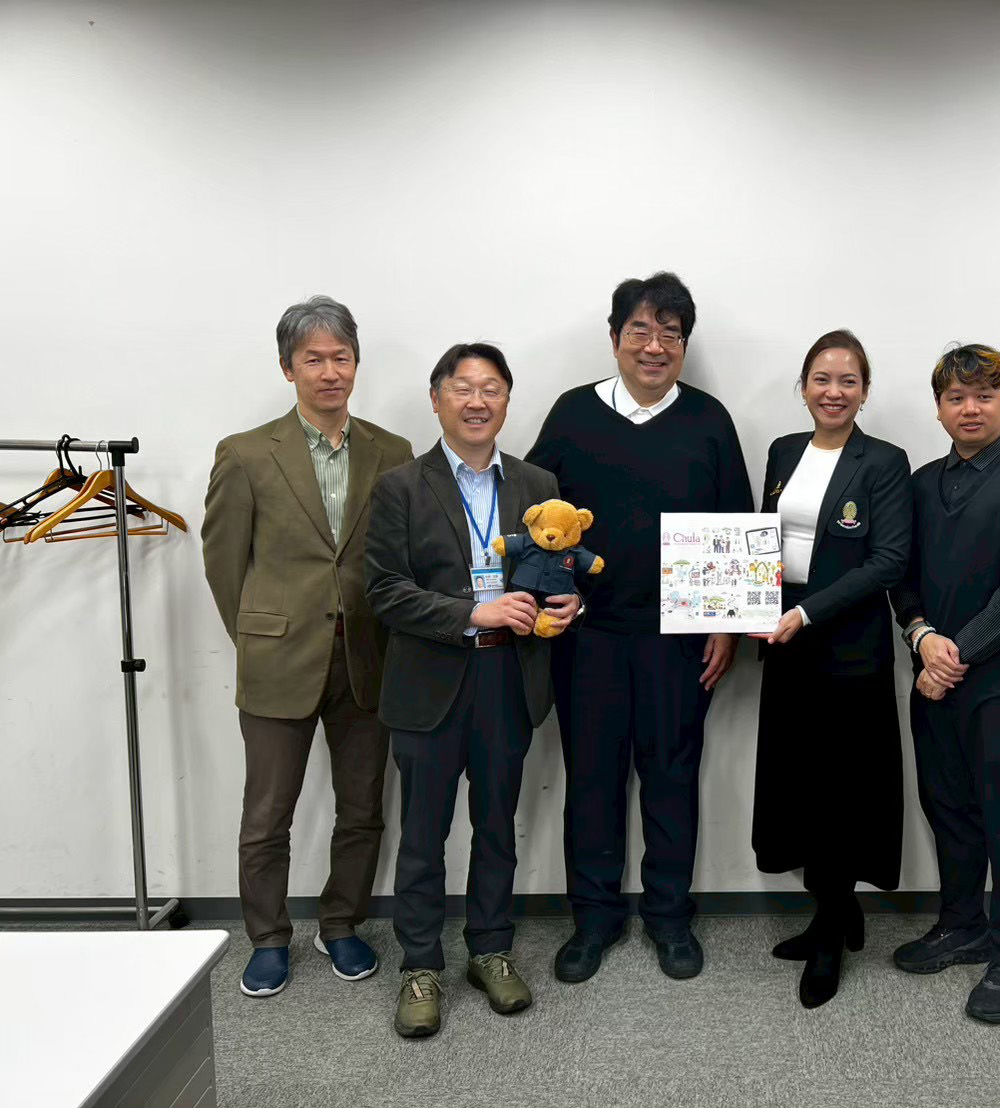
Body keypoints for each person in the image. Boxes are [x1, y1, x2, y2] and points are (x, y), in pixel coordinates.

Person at [527, 271, 752, 983]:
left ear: (684, 344)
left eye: (670, 334)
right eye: (641, 331)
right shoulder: (573, 413)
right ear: (615, 336)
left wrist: (727, 626)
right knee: (592, 780)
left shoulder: (709, 419)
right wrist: (552, 595)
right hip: (588, 637)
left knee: (671, 777)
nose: (655, 346)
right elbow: (533, 520)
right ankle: (593, 919)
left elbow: (735, 524)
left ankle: (668, 916)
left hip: (679, 639)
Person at [364, 342, 579, 1038]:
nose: (477, 401)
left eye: (491, 389)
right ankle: (420, 965)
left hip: (508, 679)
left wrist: (567, 603)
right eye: (462, 388)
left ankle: (490, 949)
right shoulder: (400, 486)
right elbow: (384, 591)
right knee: (423, 836)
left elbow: (555, 569)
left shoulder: (538, 483)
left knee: (496, 827)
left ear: (507, 402)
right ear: (437, 400)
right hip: (429, 681)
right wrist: (471, 612)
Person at [202, 295, 413, 998]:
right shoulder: (244, 454)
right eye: (313, 359)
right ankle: (267, 938)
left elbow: (398, 556)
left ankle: (341, 923)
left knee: (363, 808)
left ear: (356, 363)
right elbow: (224, 563)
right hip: (278, 659)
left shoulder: (392, 452)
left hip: (368, 658)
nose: (329, 372)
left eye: (340, 357)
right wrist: (260, 633)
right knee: (267, 814)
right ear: (287, 367)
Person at [890, 344, 1000, 1025]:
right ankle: (961, 925)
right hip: (935, 667)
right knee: (947, 805)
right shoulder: (920, 484)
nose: (971, 408)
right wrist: (920, 637)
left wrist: (950, 657)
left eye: (985, 395)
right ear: (938, 408)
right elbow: (900, 575)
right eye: (956, 397)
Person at [749, 330, 911, 1009]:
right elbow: (762, 538)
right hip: (787, 648)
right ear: (804, 387)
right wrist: (743, 601)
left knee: (842, 791)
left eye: (848, 380)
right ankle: (836, 913)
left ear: (864, 391)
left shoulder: (884, 461)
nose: (833, 391)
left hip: (847, 652)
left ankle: (828, 933)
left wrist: (806, 611)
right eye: (821, 378)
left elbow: (889, 560)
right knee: (799, 785)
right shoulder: (783, 451)